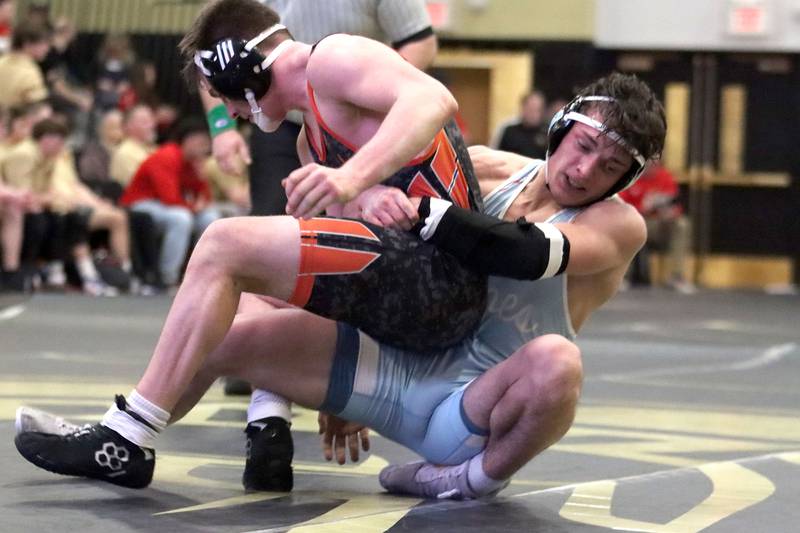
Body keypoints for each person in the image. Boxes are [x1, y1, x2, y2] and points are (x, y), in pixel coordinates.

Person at [15, 73, 666, 500]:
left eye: (606, 167)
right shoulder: (494, 169)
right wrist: (364, 186)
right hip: (392, 356)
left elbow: (522, 254)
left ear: (621, 181)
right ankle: (124, 436)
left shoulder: (617, 224)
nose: (583, 170)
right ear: (560, 128)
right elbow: (332, 167)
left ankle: (470, 479)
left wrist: (414, 207)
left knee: (559, 362)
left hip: (470, 401)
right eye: (581, 147)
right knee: (220, 329)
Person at [119, 118, 221, 287]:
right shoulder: (167, 155)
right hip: (141, 204)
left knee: (210, 218)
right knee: (181, 218)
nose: (204, 147)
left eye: (206, 143)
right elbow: (170, 198)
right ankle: (169, 276)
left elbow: (204, 199)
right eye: (200, 142)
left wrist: (201, 177)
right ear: (187, 140)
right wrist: (194, 208)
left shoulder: (193, 163)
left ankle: (201, 275)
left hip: (166, 206)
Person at [619, 161, 694, 292]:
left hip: (659, 224)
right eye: (649, 163)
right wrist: (643, 208)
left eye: (655, 164)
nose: (652, 167)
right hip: (637, 221)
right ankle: (621, 277)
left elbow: (676, 205)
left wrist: (670, 213)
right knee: (626, 225)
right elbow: (619, 207)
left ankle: (677, 276)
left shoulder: (665, 177)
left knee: (682, 224)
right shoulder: (630, 177)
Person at [0, 19, 50, 110]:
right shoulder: (30, 73)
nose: (47, 48)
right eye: (44, 42)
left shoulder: (2, 61)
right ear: (28, 44)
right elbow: (38, 111)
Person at [493, 91, 548, 159]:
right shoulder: (510, 132)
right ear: (523, 108)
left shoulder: (547, 134)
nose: (533, 114)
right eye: (530, 109)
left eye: (537, 110)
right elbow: (498, 157)